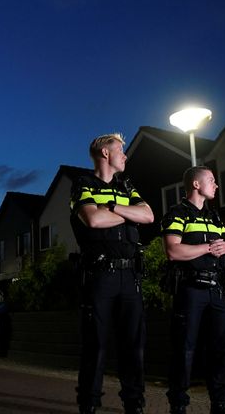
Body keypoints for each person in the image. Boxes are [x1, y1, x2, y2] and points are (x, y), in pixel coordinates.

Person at [70, 133, 154, 414]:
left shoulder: (126, 185)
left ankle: (134, 405)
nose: (126, 155)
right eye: (121, 150)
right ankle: (89, 405)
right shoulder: (83, 184)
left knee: (134, 346)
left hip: (130, 278)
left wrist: (113, 207)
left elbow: (149, 216)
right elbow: (93, 219)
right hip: (99, 276)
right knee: (96, 345)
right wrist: (130, 213)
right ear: (105, 153)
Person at [160, 166, 225, 414]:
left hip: (217, 291)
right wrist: (207, 248)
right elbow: (173, 251)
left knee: (221, 351)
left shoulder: (215, 218)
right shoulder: (177, 213)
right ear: (196, 184)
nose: (216, 185)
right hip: (191, 290)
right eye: (212, 180)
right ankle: (179, 406)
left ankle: (220, 405)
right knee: (185, 350)